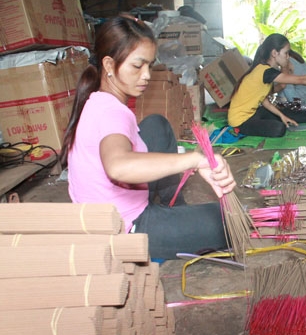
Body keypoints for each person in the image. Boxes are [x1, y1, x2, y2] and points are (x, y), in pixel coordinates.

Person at [59, 14, 237, 260]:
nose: (147, 75)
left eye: (149, 65)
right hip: (123, 229)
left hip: (102, 213)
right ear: (109, 65)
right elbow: (118, 167)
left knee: (157, 125)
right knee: (231, 220)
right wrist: (194, 160)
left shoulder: (98, 100)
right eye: (137, 66)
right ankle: (167, 222)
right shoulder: (111, 112)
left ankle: (173, 206)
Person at [228, 33, 306, 138]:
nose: (288, 57)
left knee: (285, 114)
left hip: (252, 113)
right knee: (279, 129)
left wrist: (281, 115)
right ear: (274, 53)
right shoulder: (266, 72)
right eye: (286, 53)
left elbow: (263, 100)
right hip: (240, 122)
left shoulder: (264, 70)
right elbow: (302, 80)